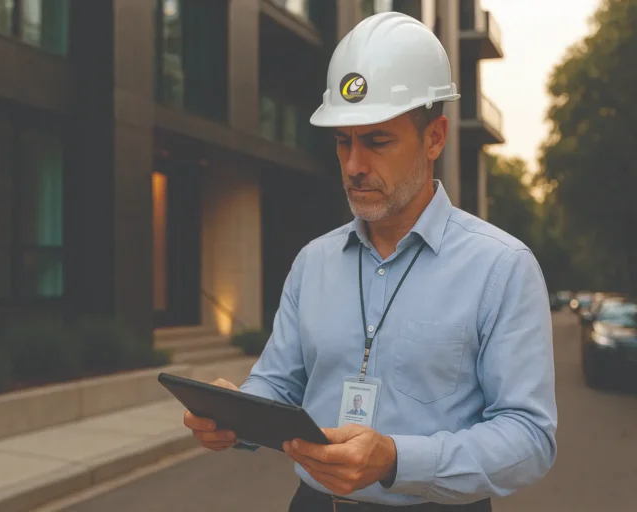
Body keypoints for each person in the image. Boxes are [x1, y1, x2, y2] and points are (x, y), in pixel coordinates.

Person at [183, 11, 557, 511]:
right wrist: (235, 416)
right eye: (344, 141)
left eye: (377, 141)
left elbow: (530, 436)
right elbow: (279, 381)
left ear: (435, 137)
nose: (355, 165)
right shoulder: (313, 262)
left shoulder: (502, 268)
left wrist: (397, 460)